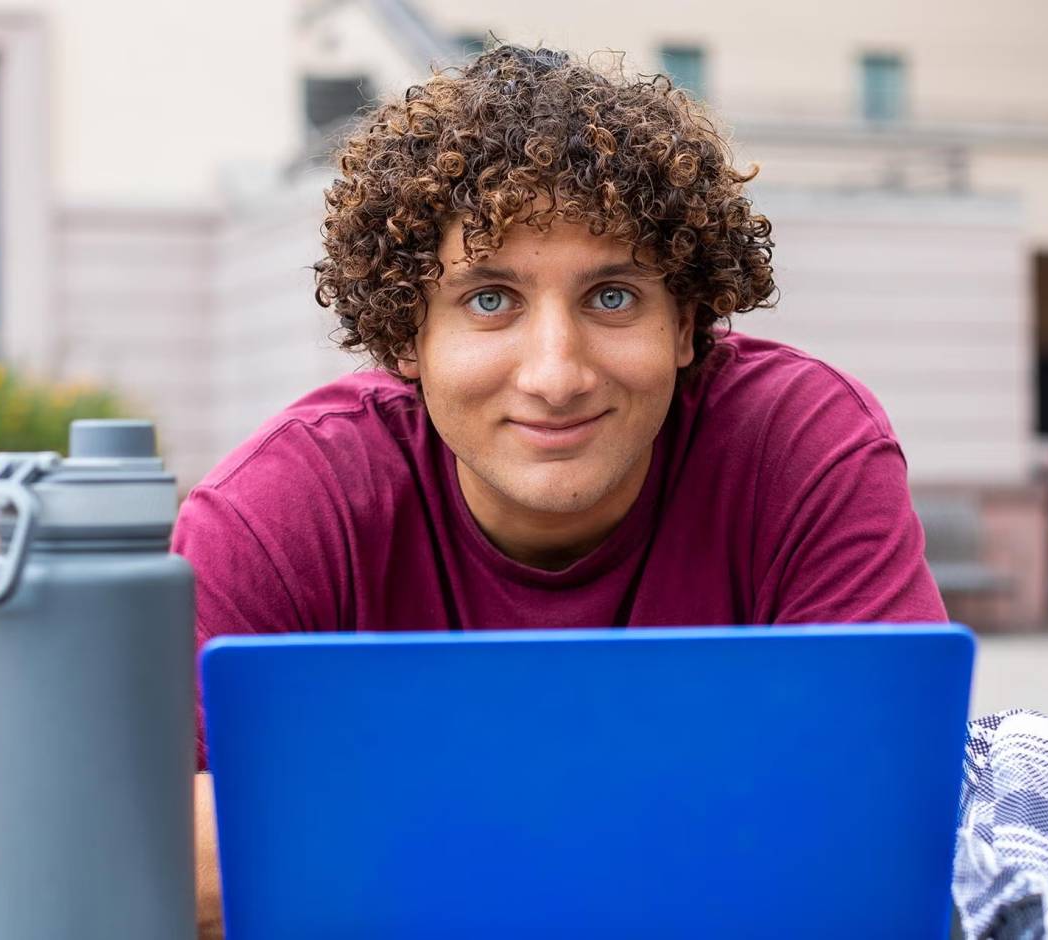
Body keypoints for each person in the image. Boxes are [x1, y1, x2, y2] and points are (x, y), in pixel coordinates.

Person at [173, 44, 948, 938]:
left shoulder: (800, 447)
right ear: (403, 338)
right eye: (490, 300)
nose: (556, 374)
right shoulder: (279, 510)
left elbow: (888, 823)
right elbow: (137, 855)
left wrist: (352, 841)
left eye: (613, 297)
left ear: (687, 323)